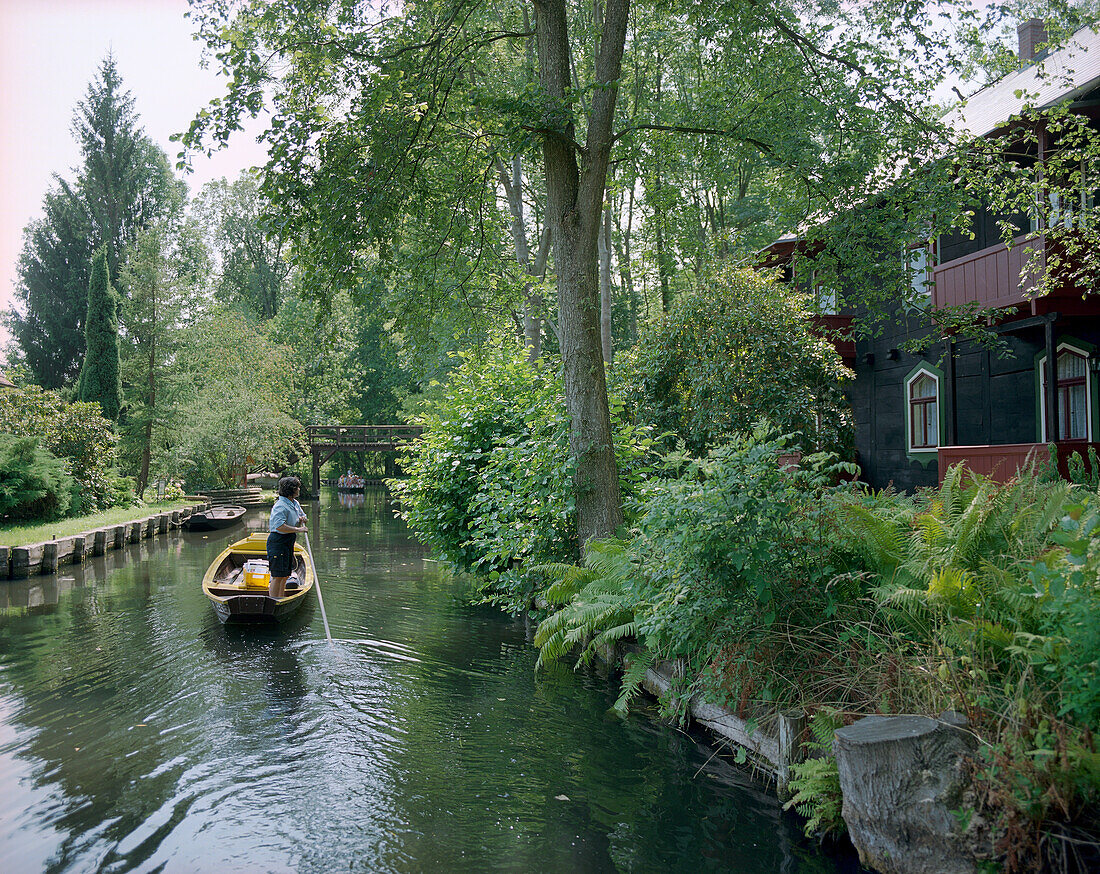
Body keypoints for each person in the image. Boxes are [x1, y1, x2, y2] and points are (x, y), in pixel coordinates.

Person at [268, 476, 307, 598]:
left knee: (285, 574)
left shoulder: (294, 503)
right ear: (291, 490)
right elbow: (279, 526)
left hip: (288, 542)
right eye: (297, 487)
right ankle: (274, 601)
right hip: (278, 542)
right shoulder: (280, 506)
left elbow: (302, 515)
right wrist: (298, 529)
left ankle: (280, 598)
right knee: (277, 575)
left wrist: (302, 519)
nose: (299, 489)